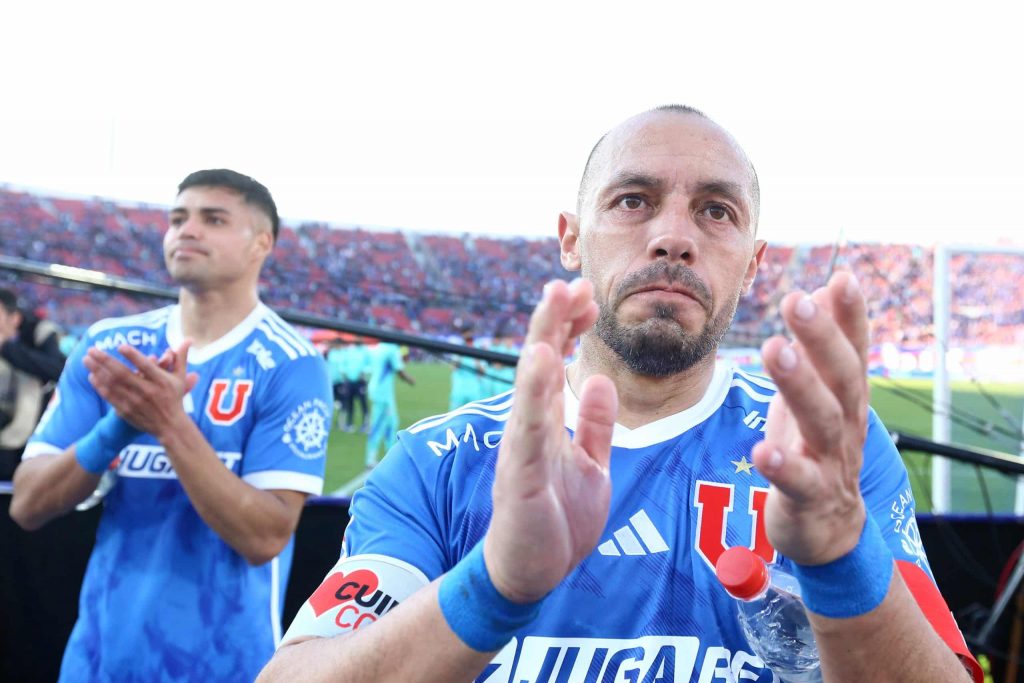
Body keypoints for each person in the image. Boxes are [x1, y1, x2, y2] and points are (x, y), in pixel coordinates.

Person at [259, 107, 982, 682]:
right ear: (571, 238)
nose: (673, 237)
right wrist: (495, 584)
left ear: (755, 263)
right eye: (633, 200)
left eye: (717, 211)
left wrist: (839, 554)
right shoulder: (440, 459)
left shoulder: (824, 461)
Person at [9, 169, 333, 683]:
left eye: (214, 218)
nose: (187, 230)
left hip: (226, 664)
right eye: (177, 218)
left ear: (261, 243)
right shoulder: (111, 348)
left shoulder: (291, 364)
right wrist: (116, 429)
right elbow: (27, 505)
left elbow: (265, 536)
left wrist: (167, 425)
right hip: (98, 660)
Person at [0, 290, 65, 480]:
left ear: (15, 318)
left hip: (27, 437)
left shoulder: (40, 333)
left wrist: (5, 347)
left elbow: (57, 369)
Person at [363, 342, 415, 469]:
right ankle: (371, 460)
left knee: (391, 423)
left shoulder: (377, 348)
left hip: (380, 390)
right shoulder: (391, 349)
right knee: (379, 425)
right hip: (383, 393)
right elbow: (399, 369)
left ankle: (389, 458)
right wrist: (410, 380)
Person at [448, 327, 486, 409]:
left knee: (474, 416)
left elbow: (482, 372)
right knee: (455, 416)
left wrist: (475, 356)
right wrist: (461, 353)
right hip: (459, 389)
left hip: (474, 389)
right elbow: (453, 368)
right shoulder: (457, 349)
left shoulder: (478, 348)